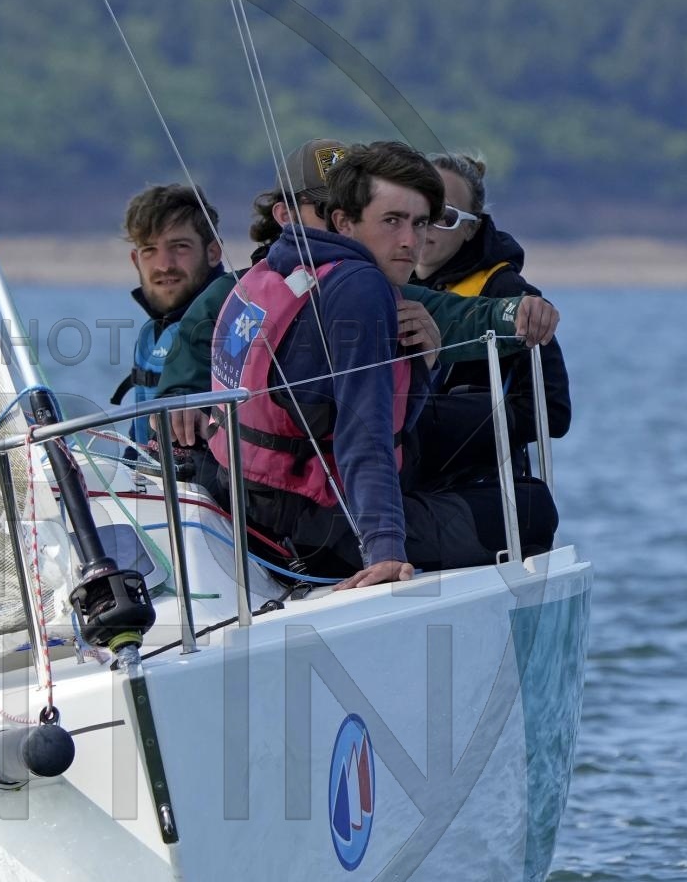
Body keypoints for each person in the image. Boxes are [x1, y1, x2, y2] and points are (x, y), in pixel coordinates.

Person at [202, 141, 557, 589]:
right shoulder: (360, 287)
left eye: (420, 223)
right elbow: (364, 433)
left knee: (470, 433)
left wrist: (422, 364)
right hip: (316, 525)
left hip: (246, 497)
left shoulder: (274, 268)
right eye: (392, 221)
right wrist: (386, 550)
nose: (411, 241)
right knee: (531, 509)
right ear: (344, 222)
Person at [156, 139, 560, 411]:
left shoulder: (378, 289)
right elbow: (192, 354)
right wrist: (182, 402)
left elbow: (457, 316)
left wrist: (519, 312)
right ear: (284, 215)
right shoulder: (237, 293)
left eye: (352, 208)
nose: (339, 221)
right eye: (326, 209)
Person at [409, 152, 571, 490]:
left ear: (471, 228)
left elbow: (553, 411)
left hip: (475, 484)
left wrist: (442, 417)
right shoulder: (386, 280)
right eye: (419, 209)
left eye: (445, 216)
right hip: (406, 476)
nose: (426, 225)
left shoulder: (508, 292)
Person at [111, 184, 234, 447]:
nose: (164, 265)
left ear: (213, 252)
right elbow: (139, 439)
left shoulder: (235, 320)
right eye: (149, 250)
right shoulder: (151, 332)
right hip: (152, 469)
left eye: (179, 247)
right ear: (136, 261)